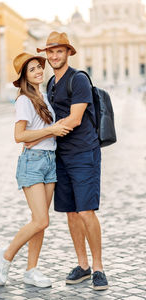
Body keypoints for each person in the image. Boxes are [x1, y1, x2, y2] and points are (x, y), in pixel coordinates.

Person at [36, 31, 109, 290]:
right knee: (70, 212)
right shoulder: (51, 84)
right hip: (60, 155)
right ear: (46, 55)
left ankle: (98, 267)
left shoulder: (77, 80)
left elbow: (76, 118)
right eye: (50, 51)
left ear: (68, 53)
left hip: (83, 153)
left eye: (59, 51)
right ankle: (83, 265)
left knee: (86, 210)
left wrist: (45, 132)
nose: (54, 55)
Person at [0, 52, 72, 287]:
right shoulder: (24, 100)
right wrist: (50, 131)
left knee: (40, 220)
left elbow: (39, 133)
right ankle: (5, 256)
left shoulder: (44, 97)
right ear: (24, 77)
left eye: (39, 67)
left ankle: (31, 270)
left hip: (49, 161)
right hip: (33, 163)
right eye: (32, 69)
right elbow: (19, 136)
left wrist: (46, 133)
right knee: (40, 220)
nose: (38, 71)